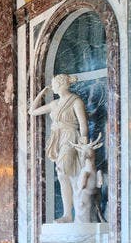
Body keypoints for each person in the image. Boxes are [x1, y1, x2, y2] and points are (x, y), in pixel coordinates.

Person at [29, 74, 88, 222]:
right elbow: (32, 111)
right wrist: (41, 94)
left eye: (54, 85)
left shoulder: (76, 101)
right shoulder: (54, 104)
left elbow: (83, 124)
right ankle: (68, 214)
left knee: (66, 173)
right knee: (63, 175)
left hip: (71, 137)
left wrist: (83, 141)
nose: (52, 88)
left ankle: (76, 212)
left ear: (61, 84)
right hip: (58, 139)